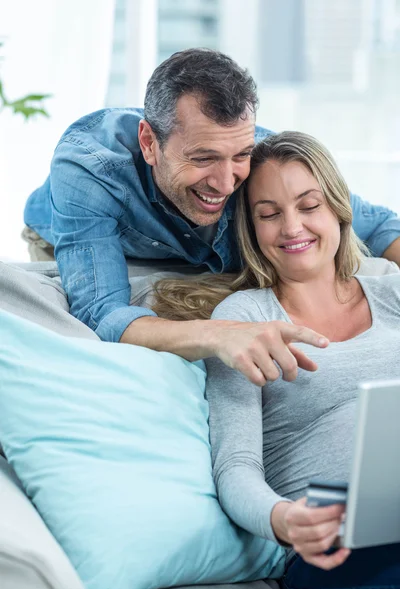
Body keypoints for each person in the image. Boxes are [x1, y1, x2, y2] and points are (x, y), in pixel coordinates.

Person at [23, 48, 400, 385]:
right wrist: (220, 333)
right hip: (92, 240)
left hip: (201, 249)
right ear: (149, 143)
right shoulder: (90, 166)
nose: (225, 183)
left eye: (239, 156)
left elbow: (382, 227)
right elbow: (101, 313)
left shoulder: (259, 154)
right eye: (203, 158)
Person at [152, 131, 400, 589]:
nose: (291, 228)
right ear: (252, 228)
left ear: (338, 211)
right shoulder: (245, 318)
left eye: (309, 206)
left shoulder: (395, 295)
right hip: (337, 548)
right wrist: (284, 519)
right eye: (269, 214)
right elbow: (236, 466)